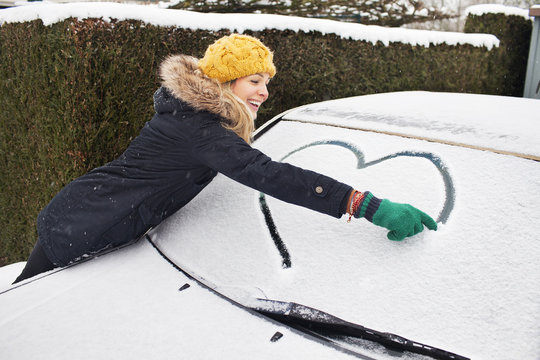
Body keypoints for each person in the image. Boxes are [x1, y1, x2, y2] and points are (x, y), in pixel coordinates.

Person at [13, 34, 437, 284]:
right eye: (255, 80)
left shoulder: (193, 116)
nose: (265, 92)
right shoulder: (200, 130)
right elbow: (267, 174)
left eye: (266, 81)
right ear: (224, 81)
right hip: (82, 225)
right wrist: (365, 205)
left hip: (84, 213)